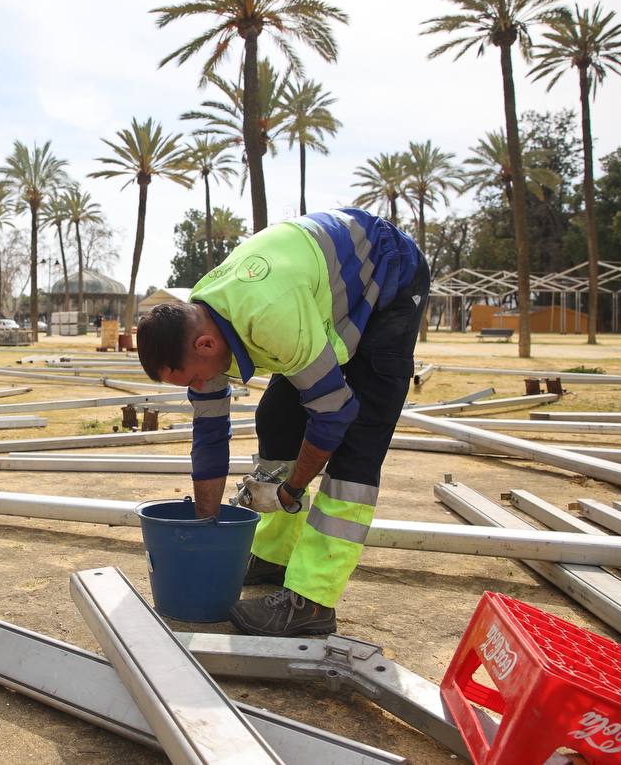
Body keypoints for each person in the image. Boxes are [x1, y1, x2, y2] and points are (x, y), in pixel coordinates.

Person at [137, 207, 427, 636]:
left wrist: (290, 491)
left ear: (205, 343)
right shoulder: (207, 312)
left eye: (197, 377)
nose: (200, 385)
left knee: (356, 446)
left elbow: (333, 413)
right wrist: (205, 525)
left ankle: (311, 602)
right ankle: (272, 556)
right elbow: (210, 432)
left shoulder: (270, 316)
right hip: (313, 296)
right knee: (276, 418)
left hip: (388, 282)